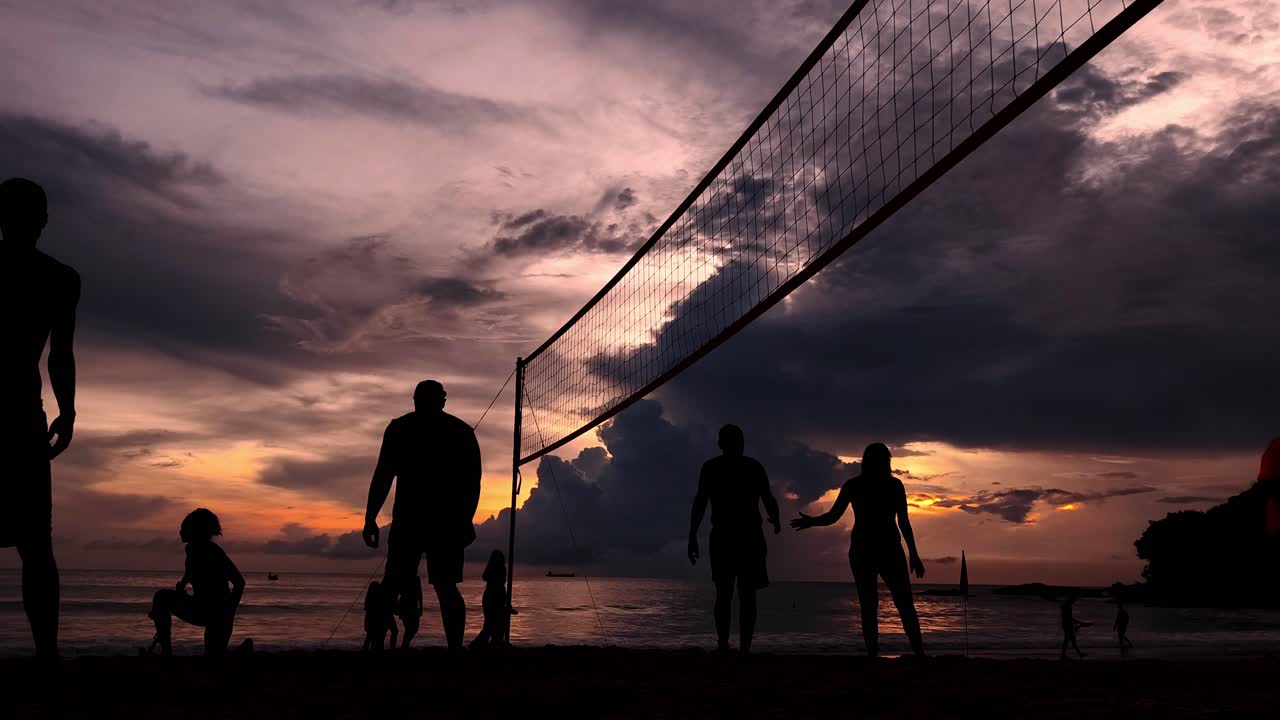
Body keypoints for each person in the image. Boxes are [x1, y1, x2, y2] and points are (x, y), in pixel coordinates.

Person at [0, 178, 80, 658]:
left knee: (36, 544)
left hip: (21, 414)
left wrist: (67, 411)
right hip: (21, 414)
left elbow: (60, 356)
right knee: (35, 545)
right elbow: (60, 356)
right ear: (44, 220)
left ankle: (47, 657)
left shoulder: (60, 279)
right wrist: (67, 412)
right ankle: (46, 656)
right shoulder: (59, 277)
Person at [363, 380, 482, 652]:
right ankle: (454, 651)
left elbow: (383, 476)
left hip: (422, 521)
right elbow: (472, 484)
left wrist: (370, 518)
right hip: (438, 522)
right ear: (442, 401)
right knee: (443, 587)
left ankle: (381, 649)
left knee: (406, 584)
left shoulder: (402, 429)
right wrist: (464, 519)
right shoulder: (459, 431)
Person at [791, 443, 925, 657]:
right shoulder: (860, 485)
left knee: (896, 603)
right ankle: (881, 654)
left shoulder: (890, 485)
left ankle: (916, 653)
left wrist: (914, 554)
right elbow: (834, 515)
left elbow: (904, 522)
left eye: (882, 460)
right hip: (868, 550)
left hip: (884, 548)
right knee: (876, 605)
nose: (881, 464)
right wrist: (813, 522)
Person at [688, 424, 780, 654]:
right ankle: (742, 648)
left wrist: (692, 535)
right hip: (745, 537)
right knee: (744, 595)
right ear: (741, 443)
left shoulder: (712, 468)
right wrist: (775, 519)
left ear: (721, 444)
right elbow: (768, 498)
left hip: (728, 537)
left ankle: (724, 645)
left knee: (725, 594)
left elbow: (700, 502)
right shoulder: (752, 467)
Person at [147, 509, 246, 656]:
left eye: (184, 528)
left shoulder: (213, 551)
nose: (180, 531)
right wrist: (182, 585)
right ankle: (165, 649)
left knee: (214, 657)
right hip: (200, 606)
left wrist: (229, 610)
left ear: (195, 530)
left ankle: (244, 651)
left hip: (218, 614)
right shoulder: (191, 550)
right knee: (161, 597)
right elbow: (191, 572)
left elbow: (239, 582)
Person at [470, 549, 509, 649]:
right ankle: (481, 645)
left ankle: (487, 645)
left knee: (493, 625)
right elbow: (500, 587)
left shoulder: (499, 569)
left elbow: (501, 588)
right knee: (490, 625)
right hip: (492, 598)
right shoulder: (496, 570)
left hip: (493, 598)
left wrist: (505, 601)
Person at [362, 580, 398, 652]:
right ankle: (390, 648)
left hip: (371, 621)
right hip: (373, 621)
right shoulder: (375, 598)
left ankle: (367, 650)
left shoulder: (370, 598)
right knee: (373, 638)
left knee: (371, 637)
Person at [1060, 591, 1089, 659]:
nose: (1075, 601)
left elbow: (1069, 618)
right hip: (1068, 625)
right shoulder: (1067, 606)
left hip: (1066, 625)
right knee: (1068, 640)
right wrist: (1081, 623)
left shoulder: (1066, 606)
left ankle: (1078, 654)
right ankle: (1064, 655)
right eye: (1074, 599)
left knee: (1070, 640)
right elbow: (1069, 618)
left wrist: (1080, 623)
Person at [396, 574, 423, 649]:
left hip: (412, 604)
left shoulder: (416, 578)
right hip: (406, 604)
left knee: (412, 629)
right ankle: (404, 646)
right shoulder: (402, 578)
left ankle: (404, 645)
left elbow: (420, 593)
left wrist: (421, 607)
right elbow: (397, 591)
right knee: (410, 628)